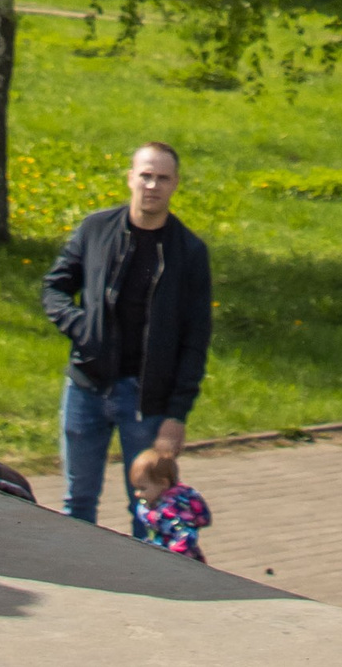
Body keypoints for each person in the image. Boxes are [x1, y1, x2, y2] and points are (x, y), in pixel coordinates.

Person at [41, 138, 213, 529]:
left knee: (148, 507)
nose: (152, 185)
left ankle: (142, 584)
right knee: (78, 500)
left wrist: (176, 416)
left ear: (175, 185)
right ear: (130, 178)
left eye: (162, 178)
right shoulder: (96, 229)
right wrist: (81, 327)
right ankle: (81, 580)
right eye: (146, 175)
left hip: (146, 400)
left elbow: (195, 340)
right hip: (87, 386)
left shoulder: (188, 252)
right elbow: (54, 289)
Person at [127, 440, 211, 558]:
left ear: (163, 483)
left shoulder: (174, 509)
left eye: (142, 488)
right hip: (161, 551)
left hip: (182, 559)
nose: (137, 494)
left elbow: (186, 533)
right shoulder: (155, 502)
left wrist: (175, 555)